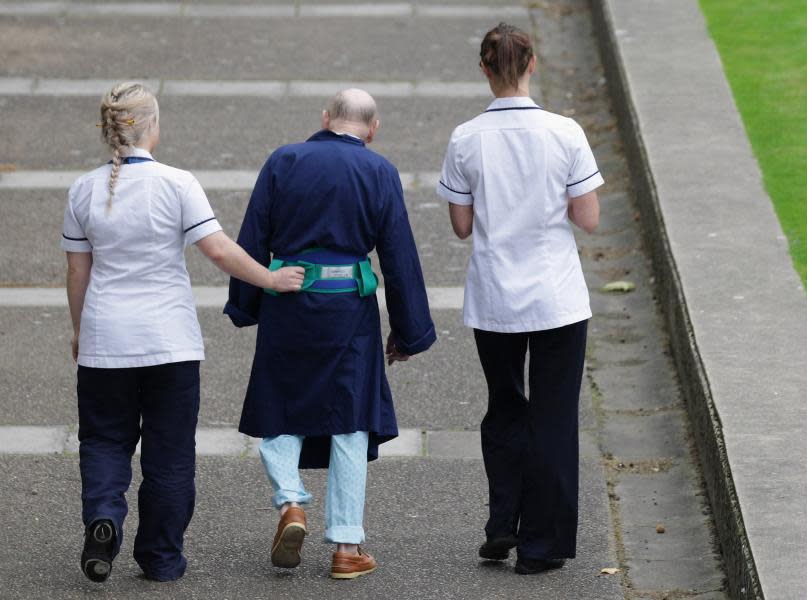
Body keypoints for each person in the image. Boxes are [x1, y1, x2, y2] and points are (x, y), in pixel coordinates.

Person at [62, 82, 304, 584]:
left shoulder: (82, 189)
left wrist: (80, 329)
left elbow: (78, 272)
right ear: (152, 126)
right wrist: (271, 279)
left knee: (104, 442)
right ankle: (161, 558)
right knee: (169, 454)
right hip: (169, 343)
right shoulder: (176, 183)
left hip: (106, 342)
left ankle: (104, 518)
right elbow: (217, 250)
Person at [224, 88, 435, 580]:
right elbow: (399, 255)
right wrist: (408, 332)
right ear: (373, 128)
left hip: (288, 300)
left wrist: (244, 304)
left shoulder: (284, 160)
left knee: (280, 405)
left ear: (325, 119)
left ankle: (292, 502)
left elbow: (253, 234)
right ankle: (345, 546)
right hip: (349, 312)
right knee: (350, 419)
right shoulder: (379, 171)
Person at [437, 23, 603, 575]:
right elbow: (589, 217)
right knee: (554, 417)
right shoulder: (565, 132)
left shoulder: (466, 138)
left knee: (505, 406)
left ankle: (502, 522)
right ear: (533, 63)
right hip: (556, 295)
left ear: (484, 69)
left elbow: (462, 225)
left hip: (495, 295)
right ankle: (541, 545)